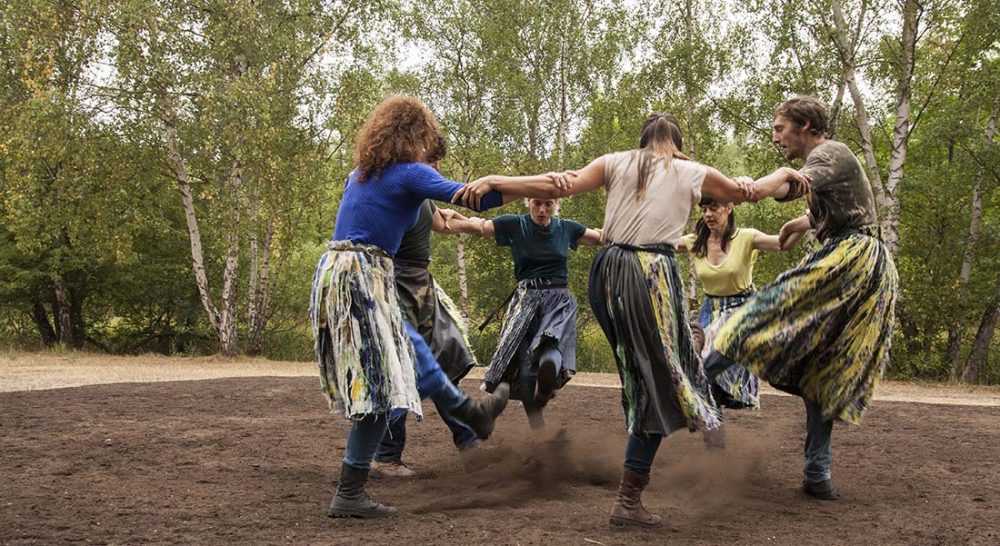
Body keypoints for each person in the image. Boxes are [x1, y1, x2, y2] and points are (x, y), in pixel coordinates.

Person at [455, 112, 807, 527]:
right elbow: (748, 193)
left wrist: (499, 182)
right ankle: (630, 497)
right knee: (660, 378)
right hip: (647, 272)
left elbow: (557, 184)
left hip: (608, 272)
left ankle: (680, 424)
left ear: (643, 142)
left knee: (655, 372)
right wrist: (786, 170)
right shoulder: (689, 170)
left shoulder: (615, 161)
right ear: (675, 143)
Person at [311, 96, 568, 518]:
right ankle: (465, 418)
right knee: (390, 377)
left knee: (399, 367)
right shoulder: (409, 173)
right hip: (363, 274)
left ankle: (461, 419)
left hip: (346, 273)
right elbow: (475, 199)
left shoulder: (359, 174)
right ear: (414, 137)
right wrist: (539, 183)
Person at [704, 96, 898, 502]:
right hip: (868, 265)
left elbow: (788, 183)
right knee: (822, 370)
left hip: (851, 258)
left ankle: (696, 377)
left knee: (762, 312)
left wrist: (753, 187)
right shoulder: (826, 165)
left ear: (806, 125)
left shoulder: (830, 152)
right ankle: (817, 472)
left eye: (780, 128)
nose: (776, 136)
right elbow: (823, 199)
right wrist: (802, 220)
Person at [371, 136, 485, 478]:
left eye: (437, 164)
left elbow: (440, 222)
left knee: (443, 362)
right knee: (406, 371)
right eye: (429, 163)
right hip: (398, 283)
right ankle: (386, 457)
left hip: (422, 286)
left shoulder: (421, 197)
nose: (434, 170)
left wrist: (472, 223)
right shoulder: (400, 189)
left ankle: (469, 443)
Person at [465, 198, 602, 429]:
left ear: (556, 204)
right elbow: (478, 226)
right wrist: (445, 218)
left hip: (558, 300)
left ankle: (542, 380)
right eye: (537, 203)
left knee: (550, 344)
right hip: (525, 301)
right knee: (521, 361)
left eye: (548, 204)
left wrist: (633, 228)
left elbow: (599, 236)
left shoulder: (567, 228)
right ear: (528, 201)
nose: (542, 210)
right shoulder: (515, 224)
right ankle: (538, 392)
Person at [677, 196, 801, 448]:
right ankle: (714, 445)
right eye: (704, 210)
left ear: (729, 207)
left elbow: (782, 244)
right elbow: (658, 244)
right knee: (703, 379)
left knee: (707, 369)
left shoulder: (746, 237)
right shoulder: (695, 242)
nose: (708, 214)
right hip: (709, 313)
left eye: (714, 208)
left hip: (741, 314)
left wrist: (806, 222)